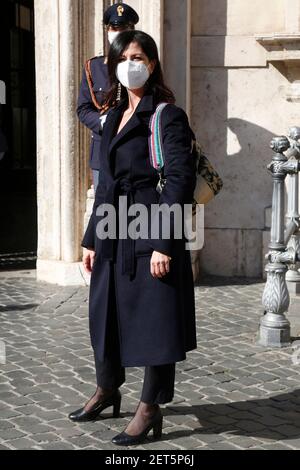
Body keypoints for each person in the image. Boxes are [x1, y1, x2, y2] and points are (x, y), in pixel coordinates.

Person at [69, 30, 197, 446]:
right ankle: (107, 389)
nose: (131, 63)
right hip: (112, 226)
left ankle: (150, 407)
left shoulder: (166, 115)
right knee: (103, 313)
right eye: (123, 57)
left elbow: (179, 179)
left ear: (153, 63)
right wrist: (91, 238)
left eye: (139, 56)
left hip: (150, 221)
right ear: (113, 65)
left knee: (155, 318)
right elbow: (106, 180)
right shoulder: (115, 113)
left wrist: (163, 242)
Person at [77, 3, 139, 190]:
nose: (118, 32)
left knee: (136, 211)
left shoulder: (141, 64)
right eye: (114, 28)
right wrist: (102, 122)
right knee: (105, 211)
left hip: (135, 149)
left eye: (124, 28)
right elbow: (83, 109)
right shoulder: (94, 67)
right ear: (107, 30)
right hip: (102, 151)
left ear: (132, 30)